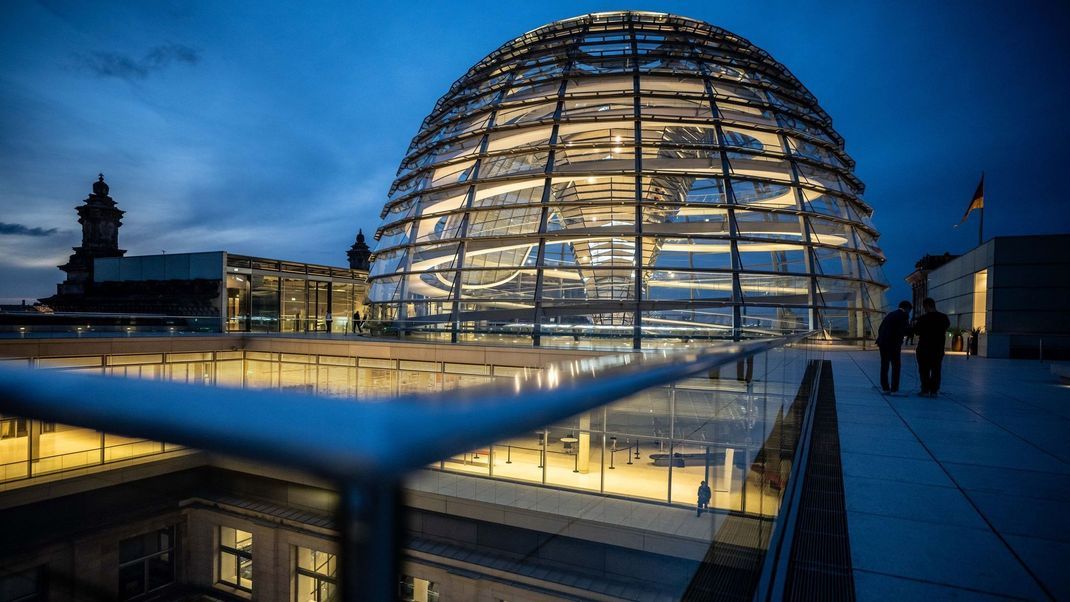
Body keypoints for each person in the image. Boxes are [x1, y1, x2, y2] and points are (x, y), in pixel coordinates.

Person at [914, 297, 951, 397]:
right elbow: (946, 327)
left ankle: (925, 390)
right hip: (938, 348)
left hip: (924, 348)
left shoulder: (922, 319)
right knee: (936, 370)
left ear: (926, 306)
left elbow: (916, 331)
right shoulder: (943, 318)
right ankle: (934, 390)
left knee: (924, 370)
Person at [876, 300, 912, 393]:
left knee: (884, 365)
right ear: (907, 308)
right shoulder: (904, 315)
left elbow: (881, 328)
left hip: (883, 343)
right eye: (909, 310)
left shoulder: (890, 314)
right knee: (896, 366)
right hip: (893, 344)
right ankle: (894, 388)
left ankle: (885, 387)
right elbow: (906, 330)